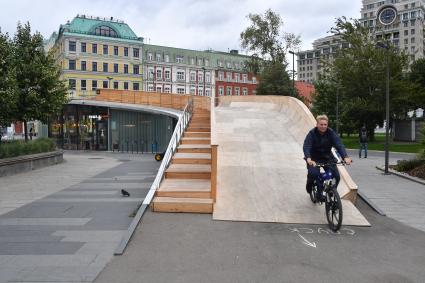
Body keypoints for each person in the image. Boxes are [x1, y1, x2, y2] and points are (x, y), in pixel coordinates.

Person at [303, 115, 352, 200]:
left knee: (336, 176)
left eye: (325, 124)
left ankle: (332, 191)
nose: (323, 126)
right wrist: (308, 158)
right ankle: (310, 187)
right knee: (313, 174)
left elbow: (339, 144)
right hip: (314, 159)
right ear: (317, 124)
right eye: (321, 124)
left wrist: (345, 157)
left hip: (327, 158)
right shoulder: (312, 133)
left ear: (327, 124)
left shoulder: (331, 133)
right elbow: (307, 146)